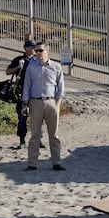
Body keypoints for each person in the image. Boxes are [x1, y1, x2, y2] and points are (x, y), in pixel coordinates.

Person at [22, 42, 65, 171]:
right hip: (35, 102)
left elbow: (61, 85)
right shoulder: (31, 66)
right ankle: (32, 164)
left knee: (54, 135)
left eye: (40, 51)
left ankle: (56, 163)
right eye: (36, 51)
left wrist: (58, 103)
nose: (38, 53)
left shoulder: (56, 67)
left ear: (47, 51)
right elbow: (27, 85)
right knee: (35, 135)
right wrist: (25, 103)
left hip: (51, 101)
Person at [6, 39, 37, 148]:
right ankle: (22, 141)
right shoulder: (19, 59)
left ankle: (38, 140)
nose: (34, 50)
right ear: (26, 48)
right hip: (22, 93)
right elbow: (8, 72)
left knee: (37, 117)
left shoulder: (37, 60)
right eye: (32, 47)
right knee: (22, 117)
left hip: (35, 92)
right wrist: (19, 67)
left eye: (34, 48)